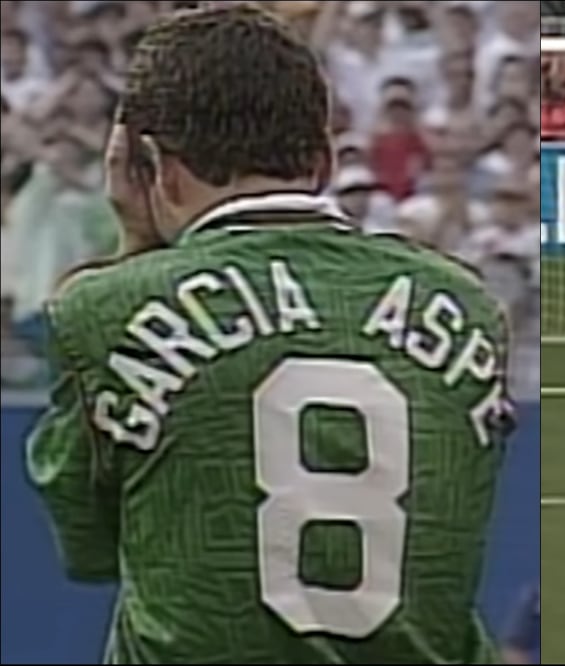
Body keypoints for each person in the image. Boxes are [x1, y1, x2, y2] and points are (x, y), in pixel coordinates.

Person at [26, 5, 513, 664]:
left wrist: (136, 251)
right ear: (325, 160)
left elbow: (87, 547)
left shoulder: (101, 311)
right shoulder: (467, 306)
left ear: (151, 167)